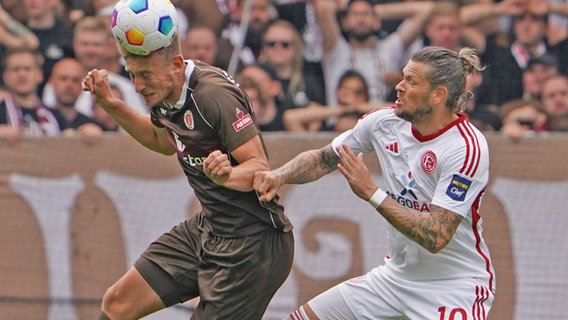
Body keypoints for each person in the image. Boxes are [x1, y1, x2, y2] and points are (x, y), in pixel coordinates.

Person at [253, 46, 495, 319]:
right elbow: (323, 159)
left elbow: (436, 236)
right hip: (394, 280)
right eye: (402, 77)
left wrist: (371, 192)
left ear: (438, 94)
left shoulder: (466, 147)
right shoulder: (383, 122)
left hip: (452, 287)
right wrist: (279, 176)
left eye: (411, 81)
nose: (399, 87)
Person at [82, 34, 294, 319]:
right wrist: (109, 102)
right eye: (132, 75)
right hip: (211, 227)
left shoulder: (211, 94)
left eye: (145, 75)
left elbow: (259, 167)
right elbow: (159, 140)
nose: (138, 86)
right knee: (119, 302)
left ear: (177, 64)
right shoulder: (164, 89)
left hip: (254, 245)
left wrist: (227, 175)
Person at [313, 0, 434, 106]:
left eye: (365, 14)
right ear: (344, 22)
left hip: (379, 126)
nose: (360, 19)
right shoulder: (335, 48)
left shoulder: (389, 49)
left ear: (377, 21)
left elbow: (426, 9)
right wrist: (348, 6)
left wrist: (380, 11)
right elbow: (323, 5)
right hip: (340, 127)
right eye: (355, 14)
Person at [0, 47, 65, 141]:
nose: (22, 74)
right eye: (15, 69)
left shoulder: (56, 116)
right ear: (5, 77)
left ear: (39, 75)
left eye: (27, 69)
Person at [48, 57, 102, 135]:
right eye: (63, 78)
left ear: (83, 86)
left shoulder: (91, 124)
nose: (69, 85)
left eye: (75, 80)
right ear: (51, 82)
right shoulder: (41, 119)